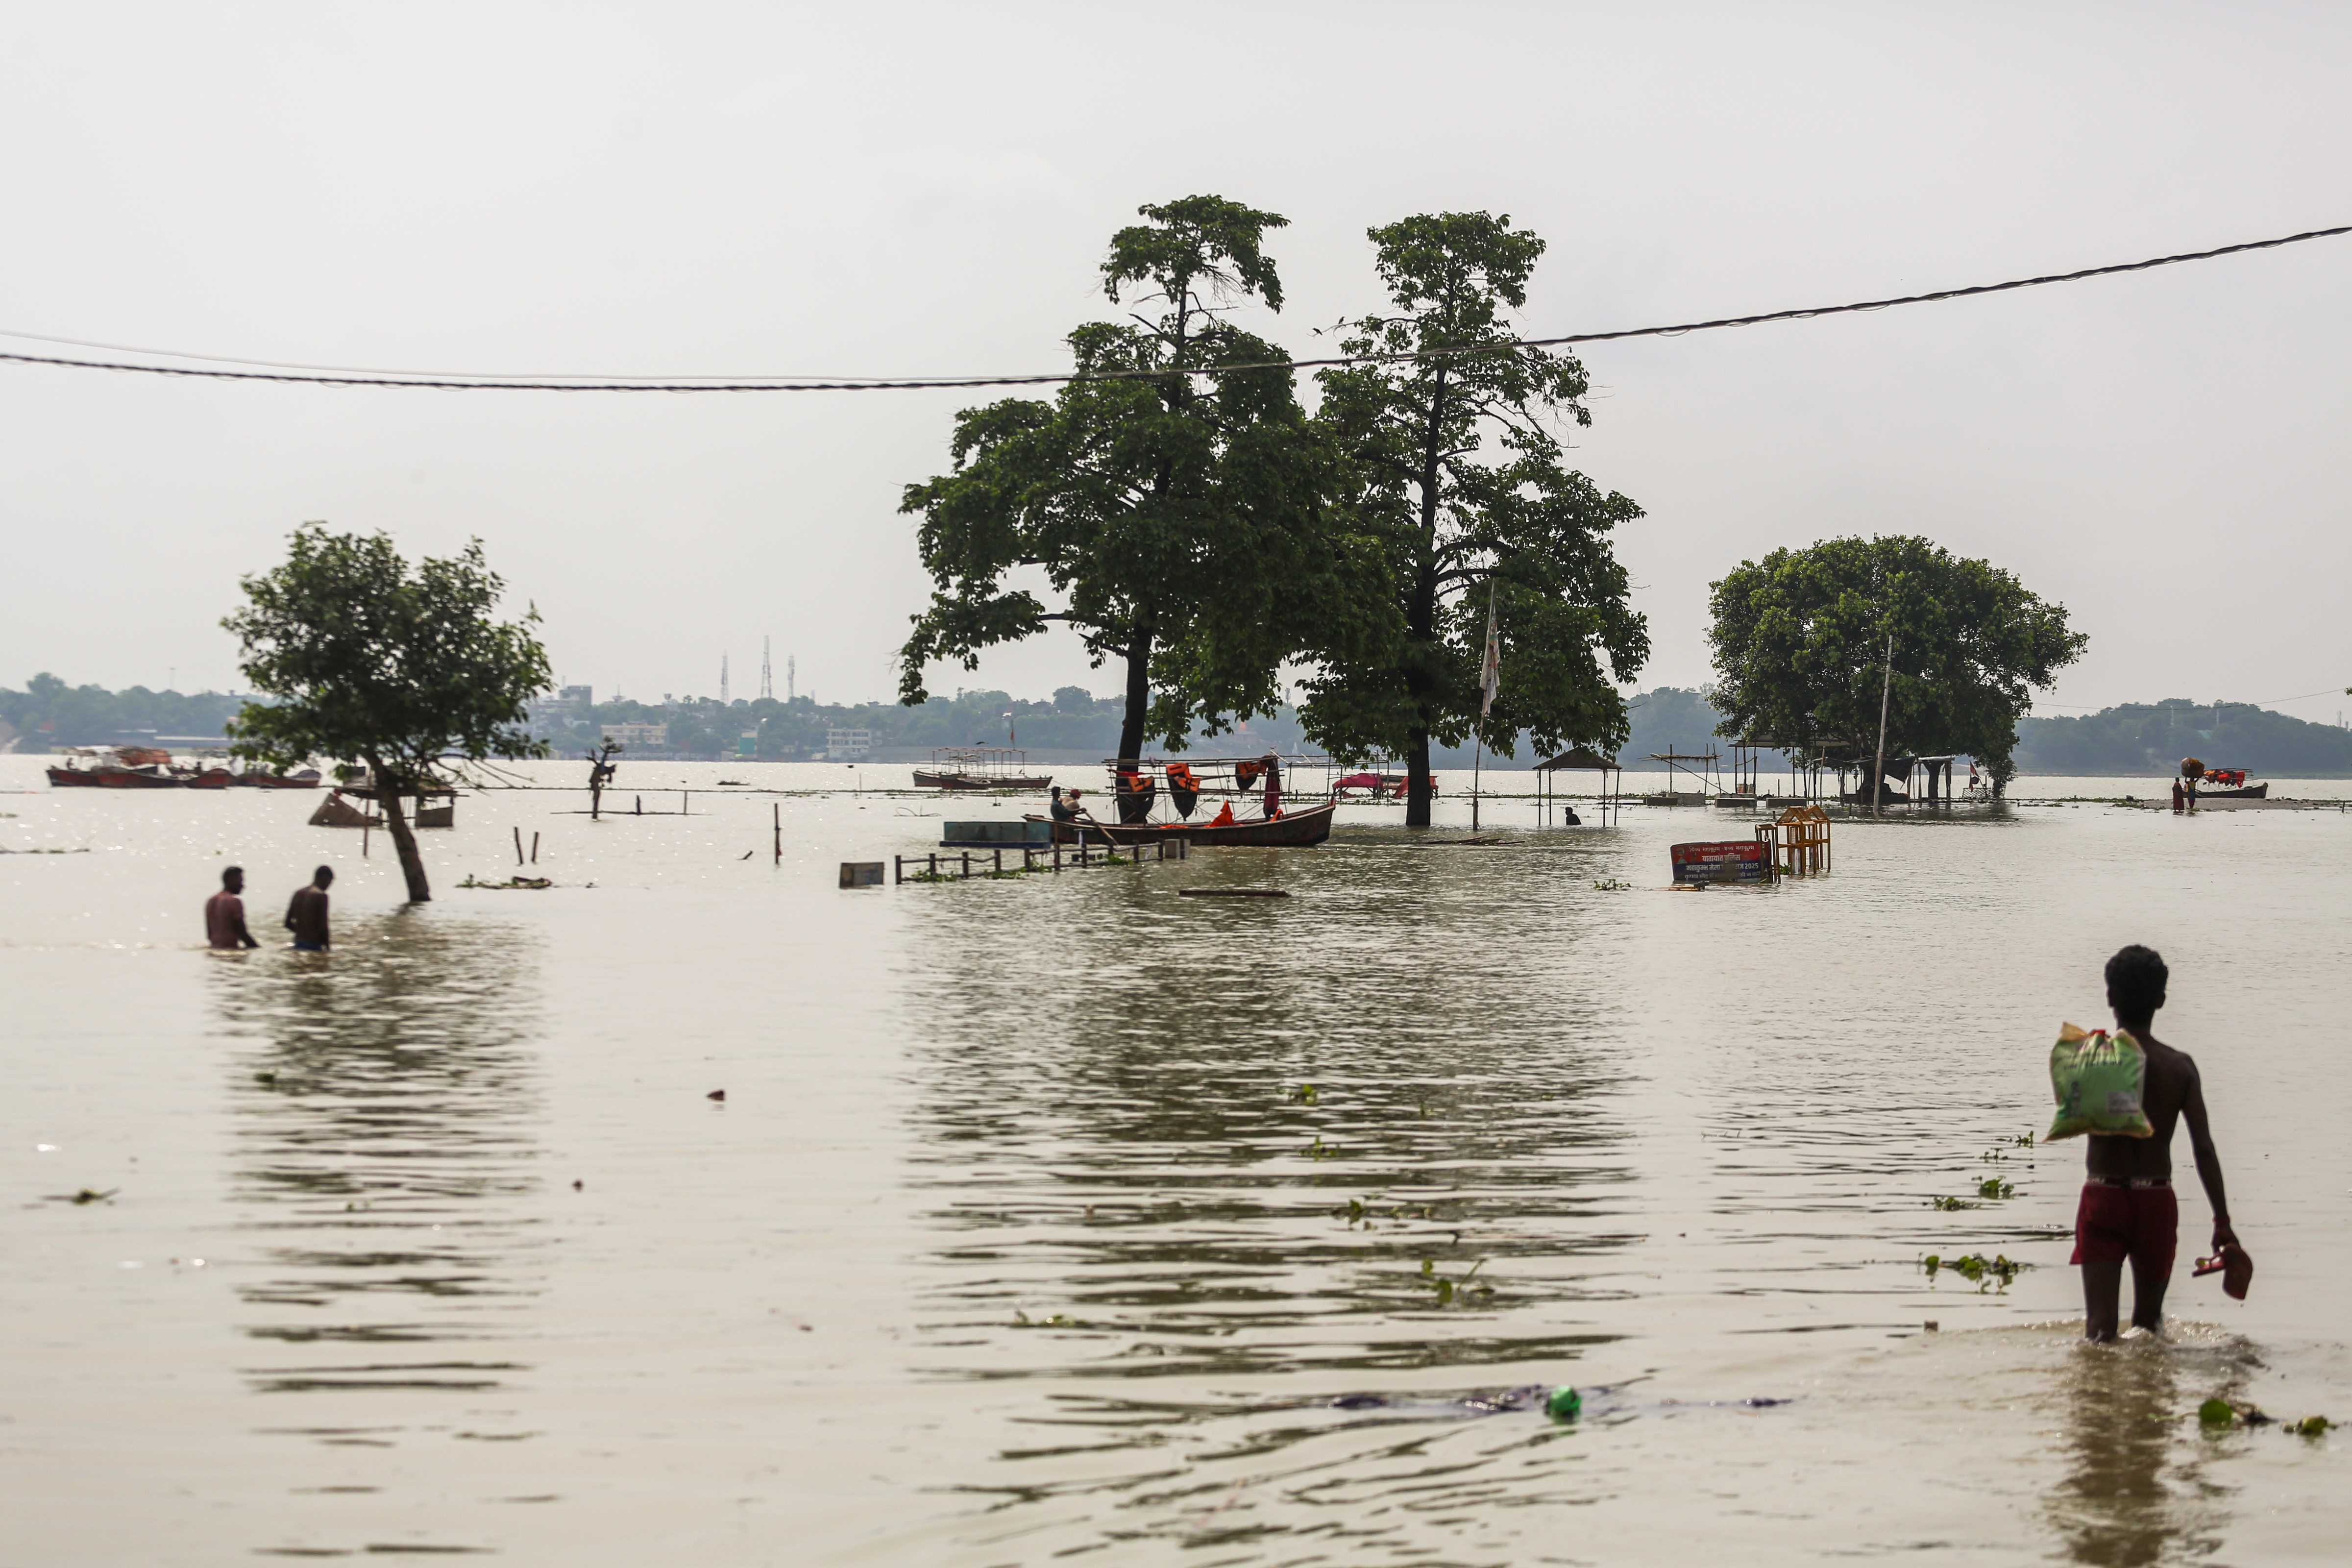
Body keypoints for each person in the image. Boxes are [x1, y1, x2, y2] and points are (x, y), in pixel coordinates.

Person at [2073, 944, 2236, 1341]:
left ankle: (2099, 1396)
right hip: (2155, 1202)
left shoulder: (2089, 1058)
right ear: (2161, 1000)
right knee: (2148, 1328)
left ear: (2110, 996)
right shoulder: (2180, 1067)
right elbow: (2204, 1149)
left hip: (2103, 1197)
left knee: (2099, 1331)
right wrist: (2222, 1222)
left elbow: (2073, 1114)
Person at [204, 866, 259, 950]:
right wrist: (258, 949)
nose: (243, 886)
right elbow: (242, 934)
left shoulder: (211, 901)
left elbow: (209, 935)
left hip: (214, 951)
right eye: (240, 881)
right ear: (231, 880)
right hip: (230, 952)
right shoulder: (234, 901)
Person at [285, 865, 334, 952]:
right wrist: (328, 949)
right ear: (324, 878)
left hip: (298, 945)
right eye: (329, 882)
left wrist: (302, 932)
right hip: (314, 946)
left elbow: (287, 923)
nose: (329, 886)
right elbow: (323, 926)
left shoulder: (298, 893)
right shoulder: (321, 896)